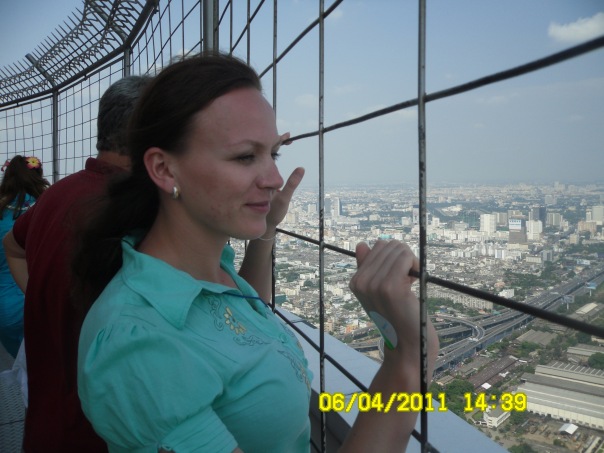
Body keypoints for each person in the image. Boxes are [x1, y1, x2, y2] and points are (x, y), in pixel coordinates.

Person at [72, 52, 439, 453]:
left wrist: (267, 228)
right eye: (246, 156)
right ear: (164, 169)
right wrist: (408, 360)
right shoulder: (139, 346)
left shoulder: (211, 271)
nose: (274, 178)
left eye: (273, 153)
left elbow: (242, 328)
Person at [2, 75, 151, 452]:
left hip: (44, 425)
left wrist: (41, 294)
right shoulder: (142, 212)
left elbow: (12, 246)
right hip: (106, 436)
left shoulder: (56, 195)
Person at [0, 155, 49, 357]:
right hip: (41, 303)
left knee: (22, 365)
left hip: (5, 308)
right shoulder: (48, 208)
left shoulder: (2, 212)